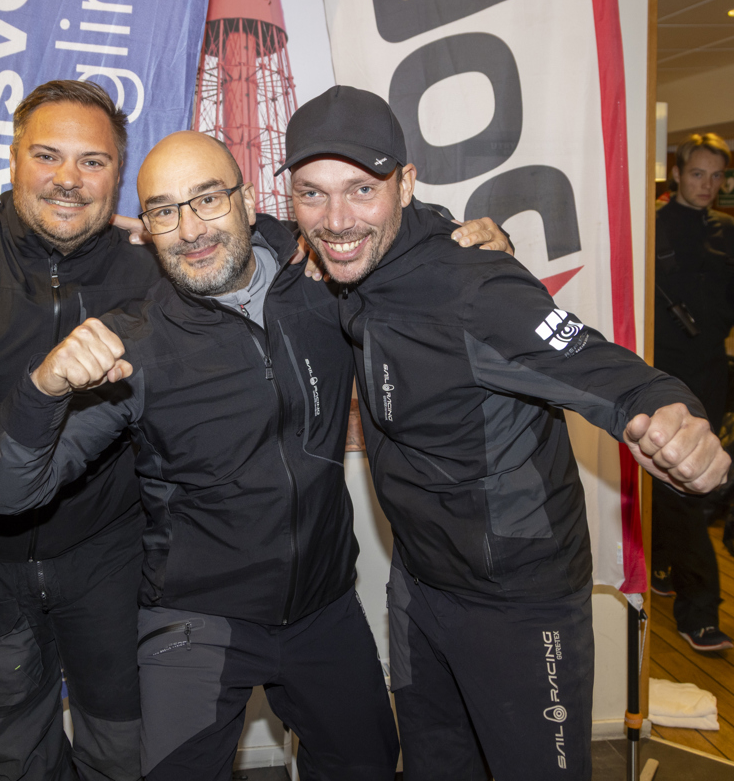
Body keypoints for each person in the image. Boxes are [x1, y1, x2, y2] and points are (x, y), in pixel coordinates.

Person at [0, 79, 511, 780]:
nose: (68, 179)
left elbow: (328, 230)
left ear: (118, 180)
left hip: (111, 560)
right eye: (47, 156)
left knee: (124, 752)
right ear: (12, 160)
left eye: (93, 162)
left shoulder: (156, 258)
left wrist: (454, 236)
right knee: (13, 752)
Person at [279, 85, 730, 781]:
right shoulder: (352, 260)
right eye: (313, 194)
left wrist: (673, 414)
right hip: (419, 583)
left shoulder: (476, 288)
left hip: (520, 600)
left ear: (405, 184)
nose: (336, 219)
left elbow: (604, 370)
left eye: (361, 190)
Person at [0, 130, 399, 780]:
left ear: (247, 202)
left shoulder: (323, 285)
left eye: (207, 199)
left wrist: (477, 236)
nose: (191, 229)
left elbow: (393, 225)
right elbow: (3, 494)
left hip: (325, 609)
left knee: (368, 766)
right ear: (146, 230)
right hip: (197, 624)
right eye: (165, 211)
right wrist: (42, 389)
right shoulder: (132, 344)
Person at [651, 133, 734, 651]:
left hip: (712, 373)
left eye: (717, 176)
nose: (708, 185)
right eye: (699, 174)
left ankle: (664, 563)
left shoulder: (728, 232)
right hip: (661, 374)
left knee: (691, 483)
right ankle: (700, 608)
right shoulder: (650, 226)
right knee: (684, 484)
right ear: (678, 174)